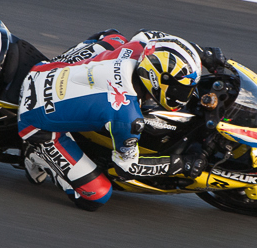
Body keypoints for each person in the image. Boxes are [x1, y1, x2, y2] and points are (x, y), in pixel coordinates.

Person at [17, 28, 224, 211]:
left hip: (48, 69)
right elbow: (127, 168)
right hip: (34, 120)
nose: (186, 94)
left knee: (114, 37)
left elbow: (153, 35)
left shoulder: (140, 46)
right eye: (182, 89)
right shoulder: (128, 117)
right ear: (157, 79)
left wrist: (201, 54)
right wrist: (181, 164)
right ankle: (36, 154)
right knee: (96, 194)